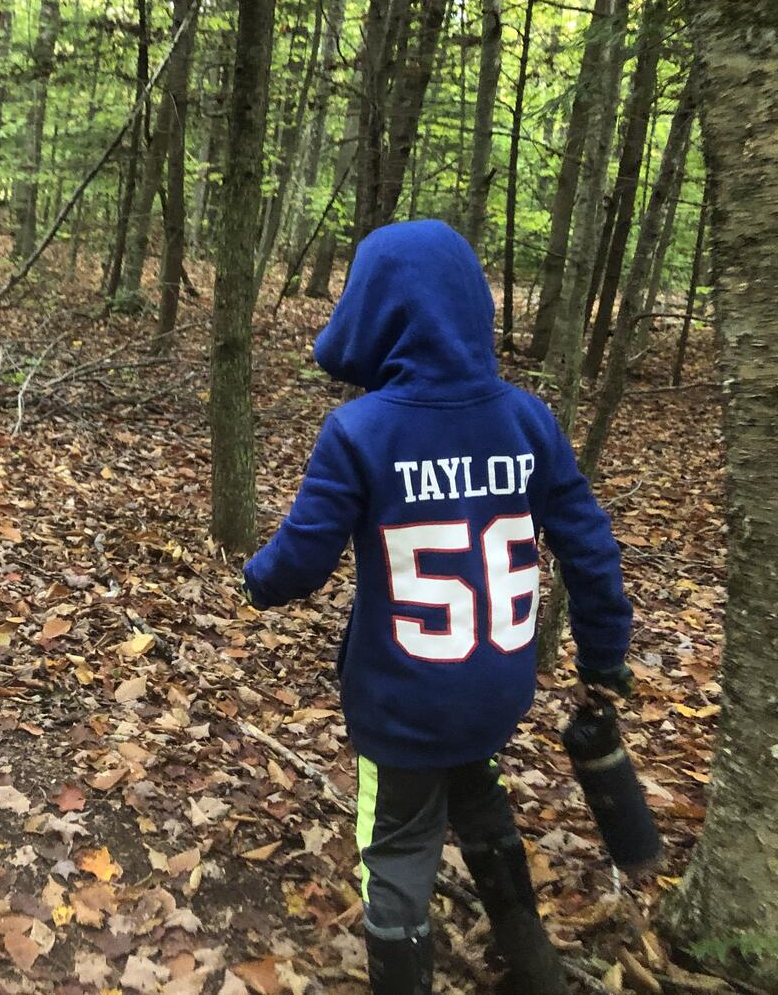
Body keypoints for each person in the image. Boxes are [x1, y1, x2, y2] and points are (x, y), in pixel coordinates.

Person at [240, 221, 634, 995]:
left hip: (401, 704)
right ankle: (535, 967)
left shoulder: (359, 430)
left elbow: (301, 562)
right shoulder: (528, 420)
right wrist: (604, 659)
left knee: (394, 847)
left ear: (377, 310)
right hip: (494, 690)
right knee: (478, 791)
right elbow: (590, 549)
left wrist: (256, 580)